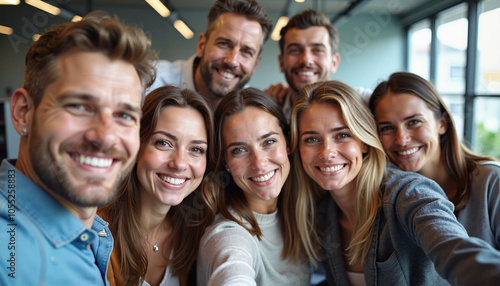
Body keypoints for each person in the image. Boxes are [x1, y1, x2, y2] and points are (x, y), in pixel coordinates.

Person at [290, 80, 500, 285]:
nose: (327, 153)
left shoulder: (408, 193)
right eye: (312, 139)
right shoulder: (317, 211)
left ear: (364, 141)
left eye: (342, 135)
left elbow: (454, 249)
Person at [0, 11, 156, 285]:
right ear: (23, 112)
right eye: (80, 106)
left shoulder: (93, 233)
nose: (106, 137)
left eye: (124, 115)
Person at [368, 71, 500, 249]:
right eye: (387, 128)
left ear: (442, 124)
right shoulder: (383, 196)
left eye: (413, 122)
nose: (401, 139)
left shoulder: (492, 181)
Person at [98, 86, 215, 286]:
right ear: (135, 146)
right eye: (163, 143)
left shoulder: (194, 231)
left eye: (196, 149)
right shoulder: (96, 234)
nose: (179, 163)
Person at [197, 88, 314, 285]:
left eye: (268, 142)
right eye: (240, 150)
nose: (259, 163)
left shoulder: (302, 212)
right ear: (225, 161)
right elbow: (233, 272)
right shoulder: (227, 233)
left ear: (287, 142)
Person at [148, 0, 273, 111]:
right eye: (224, 44)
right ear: (202, 45)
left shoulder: (252, 108)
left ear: (255, 64)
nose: (232, 61)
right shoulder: (149, 83)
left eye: (246, 52)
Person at [266, 9, 371, 121]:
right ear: (281, 62)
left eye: (318, 50)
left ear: (334, 62)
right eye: (295, 50)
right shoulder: (268, 109)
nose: (306, 59)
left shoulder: (363, 103)